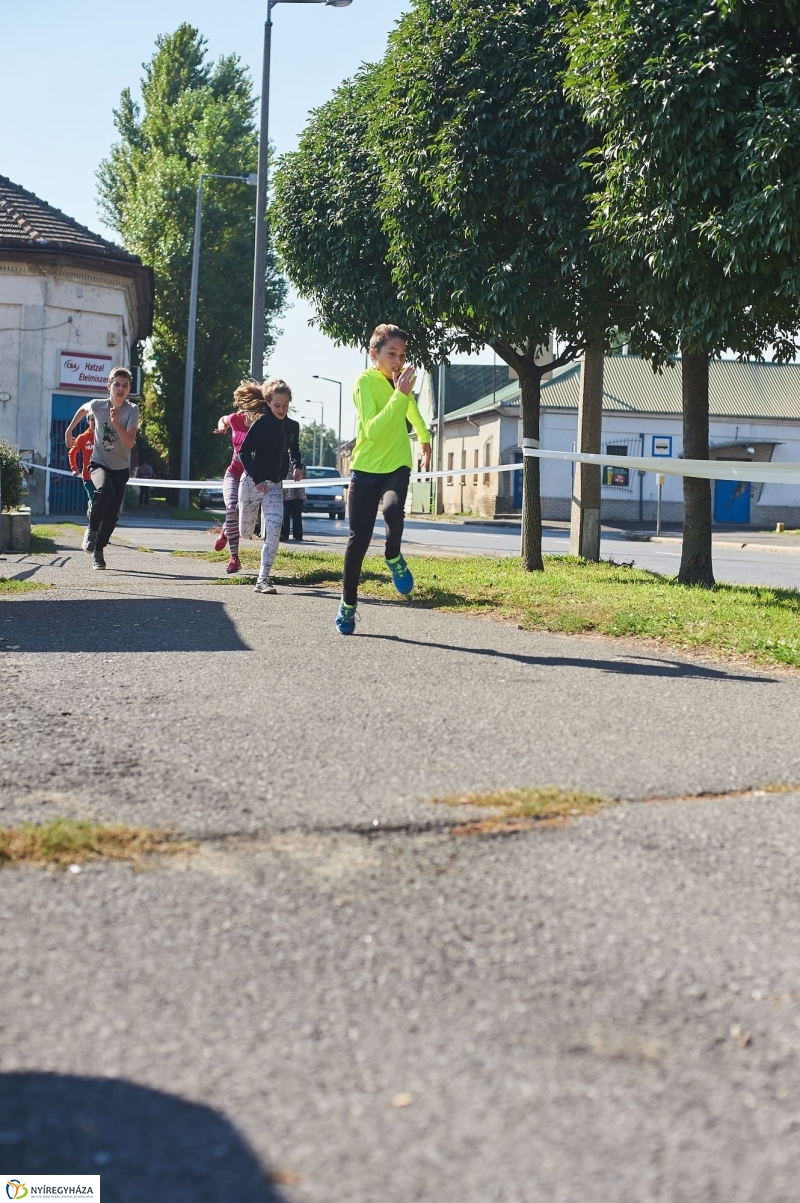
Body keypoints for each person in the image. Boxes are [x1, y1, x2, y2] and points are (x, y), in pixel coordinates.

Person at [336, 324, 431, 634]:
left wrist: (425, 440)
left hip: (396, 465)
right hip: (365, 469)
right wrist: (399, 394)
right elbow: (373, 430)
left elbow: (412, 412)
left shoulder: (399, 383)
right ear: (374, 354)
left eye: (402, 355)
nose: (398, 360)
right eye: (392, 353)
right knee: (358, 542)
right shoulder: (364, 382)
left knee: (392, 511)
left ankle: (393, 556)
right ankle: (348, 604)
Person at [64, 367, 139, 570]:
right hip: (98, 463)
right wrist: (70, 429)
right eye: (117, 384)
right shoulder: (98, 406)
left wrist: (115, 422)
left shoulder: (132, 410)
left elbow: (130, 442)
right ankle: (91, 529)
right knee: (103, 491)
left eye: (125, 385)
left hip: (120, 469)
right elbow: (83, 409)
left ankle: (99, 549)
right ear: (109, 385)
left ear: (129, 388)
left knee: (112, 515)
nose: (120, 389)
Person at [239, 379, 303, 594]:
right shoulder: (262, 424)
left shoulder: (293, 426)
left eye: (285, 405)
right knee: (246, 532)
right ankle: (237, 527)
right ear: (268, 403)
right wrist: (257, 478)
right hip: (252, 483)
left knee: (274, 530)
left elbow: (294, 449)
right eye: (277, 405)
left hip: (275, 485)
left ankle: (263, 579)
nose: (281, 410)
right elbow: (244, 452)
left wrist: (297, 466)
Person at [212, 381, 269, 574]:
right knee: (230, 507)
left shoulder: (264, 425)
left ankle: (226, 531)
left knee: (238, 511)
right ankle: (234, 558)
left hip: (252, 477)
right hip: (234, 472)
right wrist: (222, 428)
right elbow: (223, 419)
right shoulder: (236, 419)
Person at [68, 412, 96, 517]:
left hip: (102, 476)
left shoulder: (103, 436)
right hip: (88, 476)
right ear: (88, 422)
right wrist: (74, 468)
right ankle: (93, 522)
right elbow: (72, 453)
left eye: (96, 419)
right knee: (94, 500)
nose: (94, 422)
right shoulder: (83, 437)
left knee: (103, 500)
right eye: (92, 420)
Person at [281, 467, 305, 542]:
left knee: (286, 515)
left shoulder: (284, 461)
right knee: (296, 515)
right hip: (298, 494)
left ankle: (285, 534)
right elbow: (304, 475)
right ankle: (298, 535)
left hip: (287, 494)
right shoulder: (301, 464)